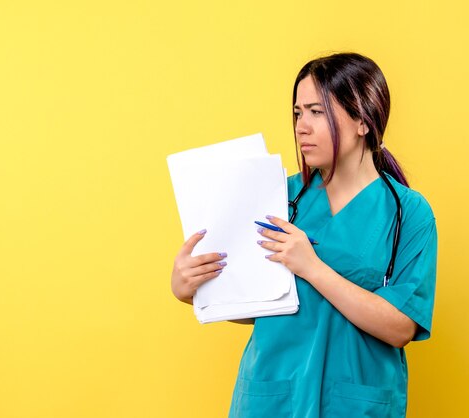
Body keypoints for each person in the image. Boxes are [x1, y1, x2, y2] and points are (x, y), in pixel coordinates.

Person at [170, 52, 437, 417]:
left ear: (363, 120)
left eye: (317, 112)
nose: (301, 127)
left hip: (354, 403)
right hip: (273, 397)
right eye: (298, 113)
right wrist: (190, 287)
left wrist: (312, 267)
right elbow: (255, 301)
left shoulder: (408, 213)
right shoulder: (275, 196)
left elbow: (401, 327)